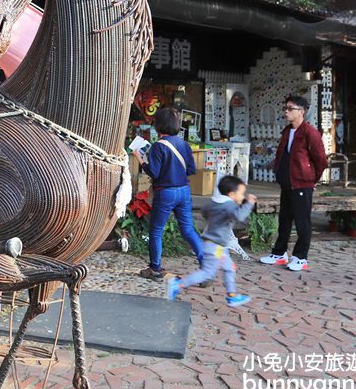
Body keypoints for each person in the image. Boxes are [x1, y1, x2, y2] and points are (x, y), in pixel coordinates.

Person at [134, 107, 205, 280]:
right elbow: (191, 170)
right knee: (188, 229)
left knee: (156, 231)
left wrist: (140, 159)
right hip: (184, 191)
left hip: (165, 193)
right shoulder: (184, 144)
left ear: (159, 125)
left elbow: (154, 172)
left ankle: (155, 269)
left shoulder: (159, 146)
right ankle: (206, 265)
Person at [259, 95, 327, 272]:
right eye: (286, 108)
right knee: (284, 219)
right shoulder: (287, 131)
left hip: (302, 183)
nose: (286, 111)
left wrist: (311, 178)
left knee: (302, 221)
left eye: (290, 108)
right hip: (287, 183)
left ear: (301, 112)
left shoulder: (310, 132)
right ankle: (279, 253)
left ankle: (301, 257)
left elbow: (321, 160)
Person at [167, 175, 256, 306]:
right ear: (231, 194)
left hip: (215, 245)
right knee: (207, 273)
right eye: (241, 194)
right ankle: (178, 284)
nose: (242, 197)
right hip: (217, 246)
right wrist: (249, 203)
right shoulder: (229, 205)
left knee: (230, 268)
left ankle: (232, 295)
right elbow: (239, 216)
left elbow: (204, 212)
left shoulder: (214, 202)